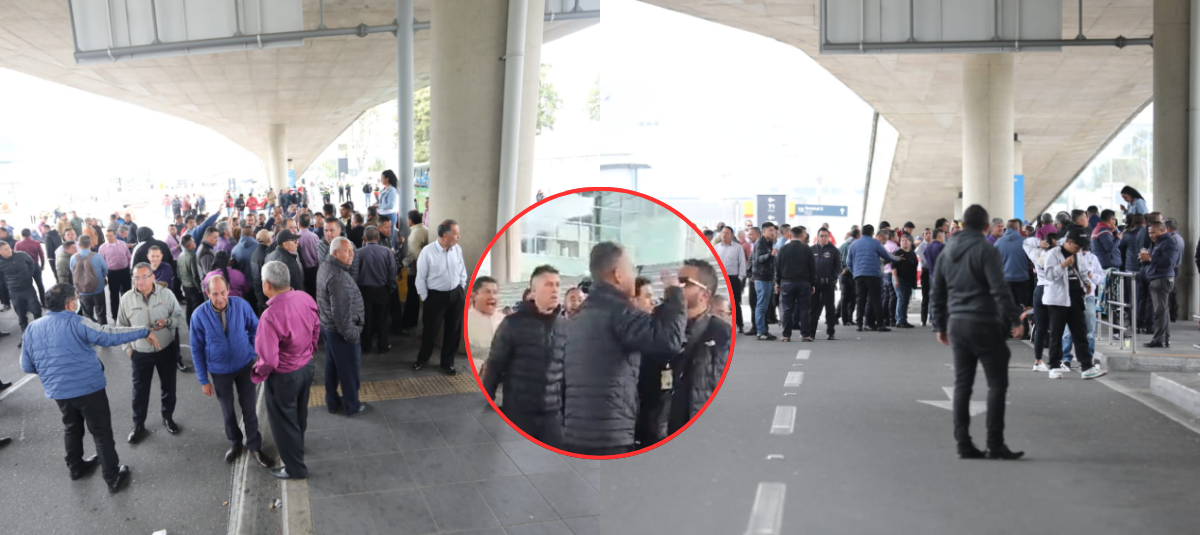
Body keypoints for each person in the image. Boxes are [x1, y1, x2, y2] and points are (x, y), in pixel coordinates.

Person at [22, 283, 159, 493]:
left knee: (71, 427)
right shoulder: (78, 322)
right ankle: (112, 477)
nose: (77, 302)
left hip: (59, 392)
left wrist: (56, 372)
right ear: (69, 304)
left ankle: (76, 468)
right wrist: (143, 331)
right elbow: (109, 334)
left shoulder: (32, 328)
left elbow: (27, 366)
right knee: (101, 432)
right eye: (76, 298)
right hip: (89, 389)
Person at [560, 242, 686, 456]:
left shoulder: (580, 315)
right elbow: (669, 340)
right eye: (632, 268)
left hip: (575, 431)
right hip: (609, 434)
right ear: (618, 274)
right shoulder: (618, 311)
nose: (634, 275)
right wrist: (674, 295)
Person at [930, 205, 1025, 460]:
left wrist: (940, 325)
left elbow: (936, 291)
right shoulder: (986, 249)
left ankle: (963, 443)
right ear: (986, 227)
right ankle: (994, 443)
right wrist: (1015, 319)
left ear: (961, 225)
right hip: (983, 323)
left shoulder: (947, 250)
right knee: (996, 384)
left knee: (962, 385)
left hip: (957, 324)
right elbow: (999, 287)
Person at [188, 275, 271, 468]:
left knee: (249, 409)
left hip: (244, 366)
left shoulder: (241, 305)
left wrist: (253, 350)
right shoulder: (198, 315)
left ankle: (254, 446)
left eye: (223, 292)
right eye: (215, 294)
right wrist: (203, 380)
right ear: (207, 293)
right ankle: (235, 443)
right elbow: (196, 349)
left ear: (228, 290)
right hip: (219, 371)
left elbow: (255, 328)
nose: (220, 298)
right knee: (227, 411)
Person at [482, 265, 567, 448]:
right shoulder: (513, 324)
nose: (554, 289)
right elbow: (495, 365)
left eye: (558, 285)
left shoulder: (566, 326)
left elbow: (569, 371)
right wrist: (487, 402)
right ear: (533, 291)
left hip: (553, 415)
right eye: (548, 284)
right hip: (519, 412)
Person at [254, 261, 321, 480]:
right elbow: (316, 329)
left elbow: (269, 359)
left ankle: (295, 468)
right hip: (306, 366)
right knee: (300, 412)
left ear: (267, 285)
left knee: (284, 422)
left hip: (284, 375)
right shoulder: (305, 298)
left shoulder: (270, 316)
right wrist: (308, 353)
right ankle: (297, 447)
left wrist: (258, 373)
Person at [119, 263, 186, 443]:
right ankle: (138, 424)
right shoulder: (126, 299)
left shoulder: (167, 294)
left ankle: (168, 417)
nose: (139, 281)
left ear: (153, 277)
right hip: (140, 353)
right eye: (136, 278)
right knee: (140, 391)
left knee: (168, 387)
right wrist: (128, 350)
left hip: (166, 350)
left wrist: (167, 321)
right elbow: (121, 327)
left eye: (144, 277)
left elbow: (180, 317)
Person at [1040, 228, 1106, 379]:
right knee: (1056, 334)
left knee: (1080, 333)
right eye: (1077, 247)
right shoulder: (1053, 254)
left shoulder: (1078, 254)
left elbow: (1083, 271)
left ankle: (1087, 367)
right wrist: (1063, 265)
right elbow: (1049, 276)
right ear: (1069, 242)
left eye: (1081, 248)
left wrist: (1087, 283)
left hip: (1076, 298)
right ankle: (1055, 366)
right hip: (1057, 301)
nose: (1079, 250)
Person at [317, 237, 367, 416]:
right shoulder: (339, 277)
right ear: (335, 253)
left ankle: (332, 401)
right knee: (349, 371)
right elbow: (341, 315)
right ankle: (352, 406)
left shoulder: (325, 266)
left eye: (352, 251)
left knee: (332, 367)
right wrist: (352, 336)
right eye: (347, 251)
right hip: (341, 332)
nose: (352, 255)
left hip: (328, 328)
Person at [413, 219, 468, 375]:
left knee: (454, 331)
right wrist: (425, 297)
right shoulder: (428, 252)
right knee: (430, 330)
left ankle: (447, 362)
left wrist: (460, 287)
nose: (459, 237)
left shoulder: (457, 249)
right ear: (445, 235)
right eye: (456, 234)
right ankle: (423, 359)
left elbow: (462, 270)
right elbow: (420, 277)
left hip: (455, 295)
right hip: (435, 297)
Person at [848, 225, 900, 332]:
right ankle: (880, 324)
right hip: (873, 275)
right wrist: (898, 258)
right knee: (875, 300)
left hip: (859, 276)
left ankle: (859, 324)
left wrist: (855, 272)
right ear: (872, 233)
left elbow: (849, 262)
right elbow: (887, 256)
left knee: (861, 300)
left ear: (862, 233)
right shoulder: (876, 243)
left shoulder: (853, 244)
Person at [1142, 221, 1179, 348]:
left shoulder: (1169, 242)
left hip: (1162, 279)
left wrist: (1150, 258)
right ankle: (1164, 339)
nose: (1151, 235)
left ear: (1162, 230)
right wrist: (1145, 258)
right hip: (1157, 278)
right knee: (1163, 311)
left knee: (1160, 312)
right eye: (1149, 233)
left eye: (1153, 232)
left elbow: (1168, 262)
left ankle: (1159, 340)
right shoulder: (1157, 242)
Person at [774, 226, 816, 342]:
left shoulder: (783, 249)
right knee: (804, 309)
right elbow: (812, 268)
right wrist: (812, 284)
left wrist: (778, 282)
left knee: (787, 309)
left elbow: (778, 267)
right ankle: (805, 335)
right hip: (804, 283)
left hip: (787, 283)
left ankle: (786, 335)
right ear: (802, 236)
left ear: (790, 235)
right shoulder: (807, 249)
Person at [0, 240, 45, 340]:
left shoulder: (22, 255)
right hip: (14, 292)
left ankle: (40, 332)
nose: (9, 250)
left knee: (37, 311)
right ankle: (26, 337)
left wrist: (29, 276)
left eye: (8, 247)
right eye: (5, 249)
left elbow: (31, 264)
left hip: (28, 289)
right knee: (21, 315)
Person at [809, 227, 841, 340]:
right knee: (813, 309)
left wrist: (834, 278)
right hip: (815, 284)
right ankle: (811, 333)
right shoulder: (811, 250)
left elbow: (838, 266)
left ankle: (830, 332)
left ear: (829, 237)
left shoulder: (834, 250)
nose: (823, 238)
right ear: (817, 237)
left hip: (828, 284)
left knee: (830, 309)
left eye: (825, 236)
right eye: (821, 236)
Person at [713, 226, 747, 334]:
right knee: (719, 301)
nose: (724, 235)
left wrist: (741, 277)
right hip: (720, 279)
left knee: (735, 303)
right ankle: (721, 324)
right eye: (723, 233)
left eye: (727, 233)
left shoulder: (737, 247)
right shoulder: (716, 247)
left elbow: (742, 263)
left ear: (732, 235)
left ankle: (739, 324)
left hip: (733, 278)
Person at [70, 235, 110, 325]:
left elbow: (73, 271)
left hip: (82, 291)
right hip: (98, 289)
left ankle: (89, 333)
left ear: (79, 245)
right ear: (91, 244)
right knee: (101, 312)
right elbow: (105, 271)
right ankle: (104, 331)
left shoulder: (73, 258)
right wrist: (101, 277)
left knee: (87, 314)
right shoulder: (97, 257)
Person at [401, 210, 430, 331]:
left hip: (416, 270)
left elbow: (414, 253)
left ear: (411, 221)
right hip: (425, 269)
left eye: (408, 220)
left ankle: (409, 321)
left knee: (412, 295)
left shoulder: (415, 233)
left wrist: (404, 264)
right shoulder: (425, 229)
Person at [750, 222, 778, 340]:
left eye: (774, 230)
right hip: (761, 278)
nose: (773, 232)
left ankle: (764, 330)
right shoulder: (760, 243)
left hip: (767, 278)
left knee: (765, 306)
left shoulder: (769, 242)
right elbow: (759, 259)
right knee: (761, 306)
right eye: (770, 230)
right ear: (764, 231)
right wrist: (771, 255)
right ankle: (760, 332)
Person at [466, 276, 503, 362]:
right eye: (487, 292)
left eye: (495, 292)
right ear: (474, 295)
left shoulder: (504, 319)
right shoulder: (466, 320)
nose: (492, 296)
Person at [99, 229, 132, 322]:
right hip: (112, 274)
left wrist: (130, 269)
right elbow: (101, 263)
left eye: (110, 235)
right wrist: (103, 276)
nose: (108, 237)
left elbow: (129, 257)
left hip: (125, 272)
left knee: (127, 293)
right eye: (107, 236)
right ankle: (115, 315)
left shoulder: (122, 244)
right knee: (114, 295)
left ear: (115, 235)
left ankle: (129, 312)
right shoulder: (103, 247)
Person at [891, 234, 918, 328]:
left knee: (906, 300)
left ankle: (903, 319)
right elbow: (893, 267)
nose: (904, 242)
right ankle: (900, 321)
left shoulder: (912, 253)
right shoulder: (898, 252)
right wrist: (896, 279)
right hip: (899, 279)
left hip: (909, 280)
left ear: (910, 242)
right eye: (902, 241)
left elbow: (914, 267)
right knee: (901, 299)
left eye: (906, 240)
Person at [837, 228, 859, 326]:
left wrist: (841, 269)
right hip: (852, 274)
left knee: (844, 297)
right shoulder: (856, 246)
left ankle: (845, 319)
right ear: (858, 235)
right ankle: (849, 319)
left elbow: (836, 257)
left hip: (843, 274)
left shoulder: (843, 245)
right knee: (853, 297)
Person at [377, 170, 400, 248]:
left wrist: (379, 205)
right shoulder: (383, 189)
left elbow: (391, 205)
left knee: (390, 237)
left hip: (389, 215)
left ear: (387, 179)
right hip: (382, 215)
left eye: (382, 178)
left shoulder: (392, 190)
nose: (381, 180)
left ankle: (393, 253)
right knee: (382, 237)